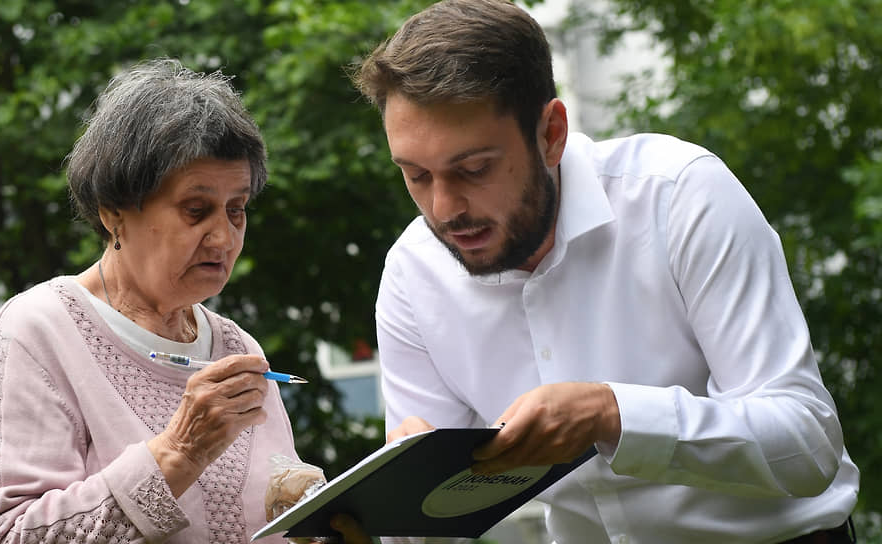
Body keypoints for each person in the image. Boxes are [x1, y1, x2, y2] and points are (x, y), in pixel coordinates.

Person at [352, 1, 860, 543]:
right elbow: (429, 523)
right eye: (416, 176)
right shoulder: (412, 273)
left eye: (474, 169)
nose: (445, 208)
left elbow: (807, 447)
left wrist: (612, 413)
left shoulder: (680, 195)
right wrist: (382, 509)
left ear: (551, 133)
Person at [0, 58, 367, 544]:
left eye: (237, 211)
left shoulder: (235, 345)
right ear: (113, 213)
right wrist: (178, 453)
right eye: (196, 210)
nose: (223, 236)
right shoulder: (39, 330)